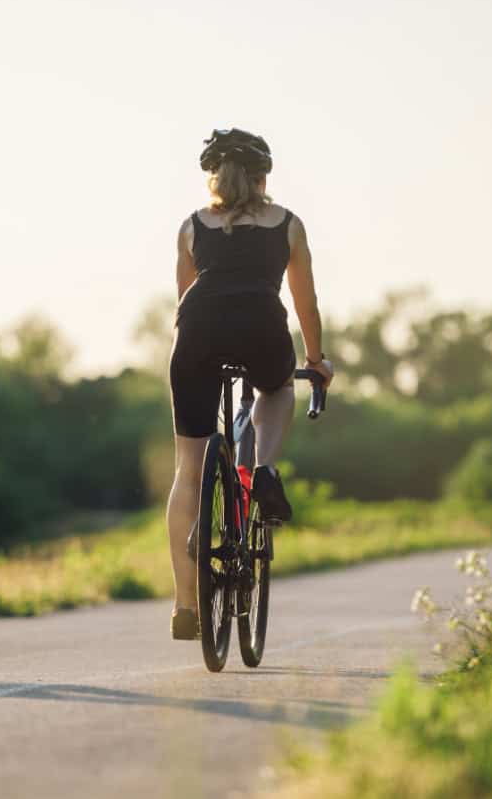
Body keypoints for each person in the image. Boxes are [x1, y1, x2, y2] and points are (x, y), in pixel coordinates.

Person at [166, 128, 334, 640]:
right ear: (263, 179)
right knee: (278, 389)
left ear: (213, 178)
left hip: (197, 335)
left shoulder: (193, 227)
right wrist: (316, 359)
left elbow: (183, 301)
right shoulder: (287, 224)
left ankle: (184, 607)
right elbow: (306, 303)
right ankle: (261, 469)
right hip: (262, 327)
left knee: (189, 471)